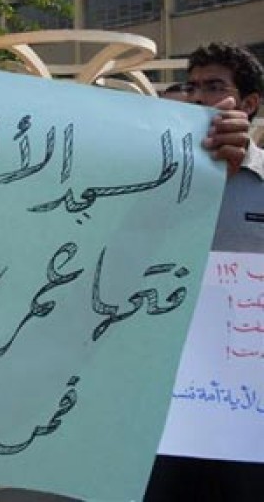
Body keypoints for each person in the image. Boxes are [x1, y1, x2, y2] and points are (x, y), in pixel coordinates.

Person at [144, 42, 264, 502]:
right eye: (192, 87)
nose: (198, 98)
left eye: (214, 87)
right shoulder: (154, 181)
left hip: (247, 413)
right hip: (165, 407)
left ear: (248, 104)